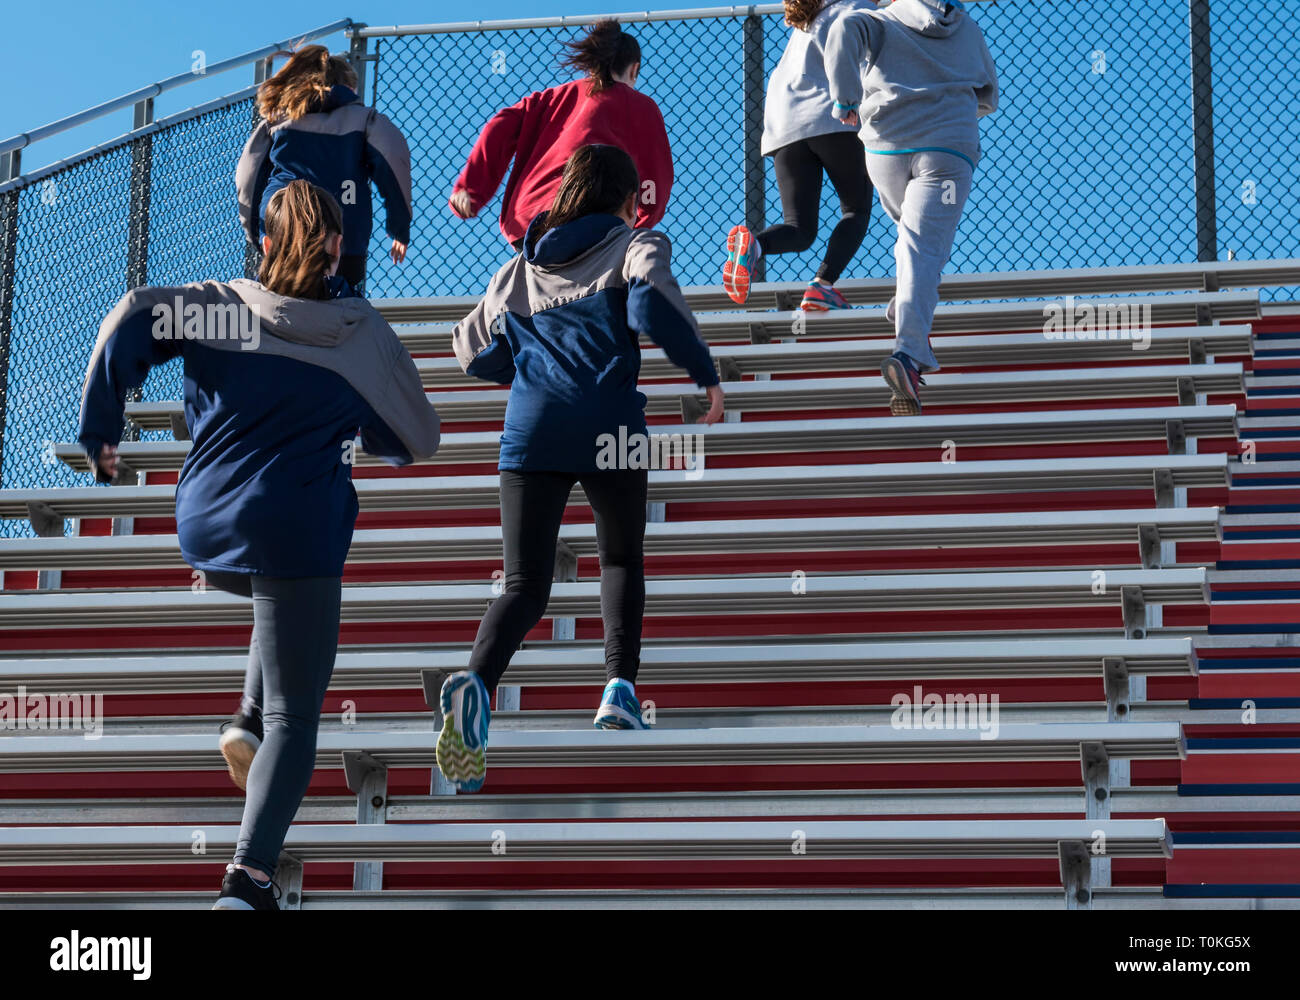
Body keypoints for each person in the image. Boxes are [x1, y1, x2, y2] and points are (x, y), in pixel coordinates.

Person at [77, 180, 441, 910]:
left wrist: (101, 426)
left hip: (207, 525)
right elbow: (420, 439)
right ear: (341, 246)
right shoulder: (359, 331)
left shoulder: (224, 308)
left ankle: (244, 717)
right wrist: (356, 423)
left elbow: (128, 316)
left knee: (278, 597)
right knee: (297, 718)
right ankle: (246, 881)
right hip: (296, 531)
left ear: (266, 244)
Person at [437, 144, 724, 793]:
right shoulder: (635, 243)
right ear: (627, 199)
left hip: (532, 426)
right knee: (619, 559)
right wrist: (706, 376)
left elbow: (468, 348)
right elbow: (652, 308)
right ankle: (618, 691)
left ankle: (476, 685)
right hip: (609, 424)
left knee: (523, 585)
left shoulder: (520, 267)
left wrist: (525, 368)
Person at [825, 0, 998, 414]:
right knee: (924, 243)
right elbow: (988, 95)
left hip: (886, 146)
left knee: (915, 238)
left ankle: (908, 300)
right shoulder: (968, 28)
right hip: (947, 150)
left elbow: (842, 29)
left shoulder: (879, 20)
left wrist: (845, 98)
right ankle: (908, 354)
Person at [448, 19, 673, 250]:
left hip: (532, 218)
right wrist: (642, 220)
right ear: (634, 69)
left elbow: (499, 126)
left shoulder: (548, 99)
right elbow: (655, 176)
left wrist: (471, 189)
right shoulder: (640, 105)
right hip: (595, 218)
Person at [723, 0, 878, 311]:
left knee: (799, 228)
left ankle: (754, 246)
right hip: (833, 116)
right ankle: (822, 285)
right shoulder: (860, 9)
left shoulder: (812, 19)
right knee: (856, 210)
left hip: (784, 125)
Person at [236, 44, 412, 295]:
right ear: (349, 87)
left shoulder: (278, 120)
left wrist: (258, 228)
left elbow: (248, 174)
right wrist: (399, 226)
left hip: (284, 222)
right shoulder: (363, 119)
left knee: (274, 299)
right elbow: (394, 158)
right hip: (345, 230)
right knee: (346, 308)